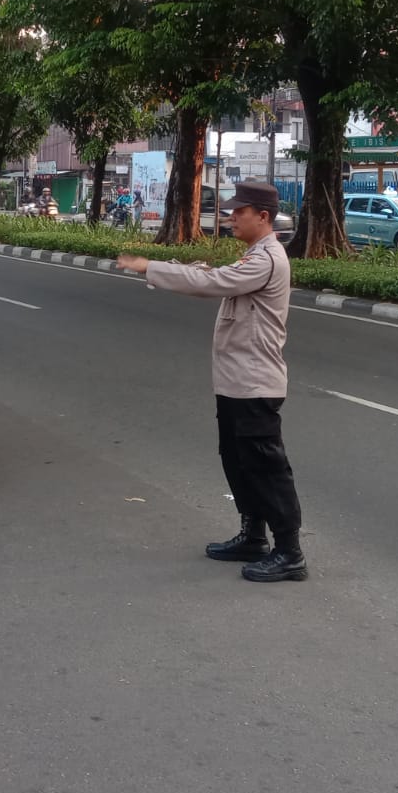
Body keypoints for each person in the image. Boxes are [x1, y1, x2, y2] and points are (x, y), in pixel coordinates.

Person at [115, 179, 306, 583]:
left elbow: (212, 283)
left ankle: (289, 552)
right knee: (237, 462)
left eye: (240, 212)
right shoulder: (252, 256)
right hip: (236, 381)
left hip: (255, 383)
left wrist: (150, 267)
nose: (231, 217)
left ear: (263, 217)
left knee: (266, 467)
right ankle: (253, 535)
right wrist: (185, 269)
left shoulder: (267, 259)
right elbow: (216, 275)